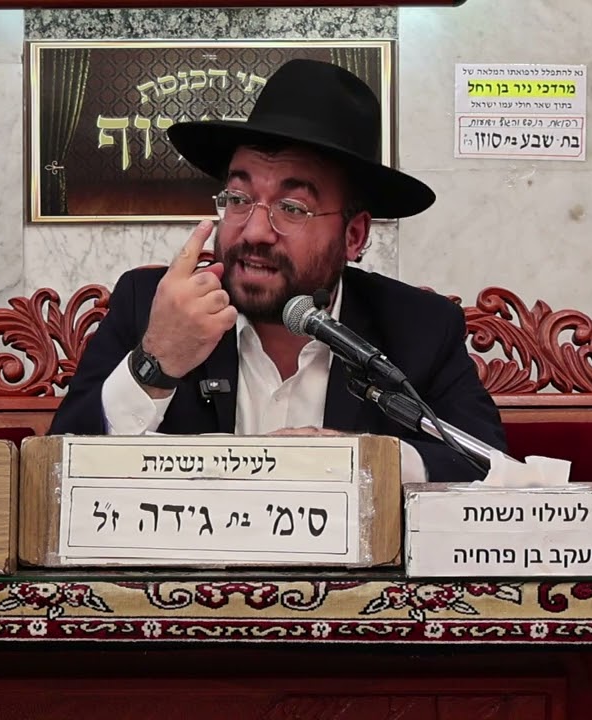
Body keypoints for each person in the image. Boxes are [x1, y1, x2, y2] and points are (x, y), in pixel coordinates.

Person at [48, 58, 506, 482]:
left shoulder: (418, 328)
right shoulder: (152, 305)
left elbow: (492, 469)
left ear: (353, 236)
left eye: (292, 207)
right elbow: (57, 470)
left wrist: (369, 461)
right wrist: (154, 363)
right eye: (239, 199)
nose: (254, 231)